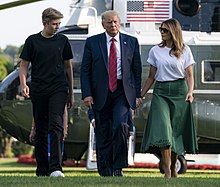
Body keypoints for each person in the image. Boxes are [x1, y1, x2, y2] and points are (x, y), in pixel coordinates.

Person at [80, 10, 142, 177]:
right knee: (103, 131)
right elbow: (85, 70)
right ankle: (105, 169)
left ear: (119, 22)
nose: (113, 25)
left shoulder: (132, 42)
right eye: (109, 22)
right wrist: (87, 94)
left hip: (122, 92)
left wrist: (137, 95)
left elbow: (137, 70)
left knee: (121, 126)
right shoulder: (92, 42)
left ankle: (118, 167)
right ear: (103, 24)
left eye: (115, 22)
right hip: (100, 92)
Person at [19, 7, 74, 177]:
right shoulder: (32, 41)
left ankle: (56, 168)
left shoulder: (63, 41)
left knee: (56, 125)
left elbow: (68, 67)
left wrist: (70, 91)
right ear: (45, 23)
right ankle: (42, 169)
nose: (58, 27)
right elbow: (23, 65)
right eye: (55, 24)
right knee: (41, 129)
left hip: (58, 88)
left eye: (59, 23)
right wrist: (23, 84)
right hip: (39, 89)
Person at [140, 18, 198, 179]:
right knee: (164, 132)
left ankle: (173, 168)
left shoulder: (185, 50)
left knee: (175, 133)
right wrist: (141, 95)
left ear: (173, 31)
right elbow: (151, 76)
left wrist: (190, 92)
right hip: (161, 92)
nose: (162, 32)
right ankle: (166, 172)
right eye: (160, 29)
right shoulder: (155, 51)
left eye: (164, 30)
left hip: (180, 92)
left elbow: (189, 75)